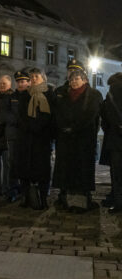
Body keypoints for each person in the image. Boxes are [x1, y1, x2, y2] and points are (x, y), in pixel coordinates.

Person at [53, 66, 102, 212]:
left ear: (84, 80)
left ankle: (83, 199)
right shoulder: (64, 94)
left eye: (77, 79)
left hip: (84, 138)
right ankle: (68, 198)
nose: (74, 82)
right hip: (67, 139)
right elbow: (58, 112)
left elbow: (90, 115)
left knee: (83, 170)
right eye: (71, 79)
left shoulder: (93, 94)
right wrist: (64, 126)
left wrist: (74, 127)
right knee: (69, 170)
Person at [15, 68, 55, 210]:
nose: (33, 79)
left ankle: (43, 198)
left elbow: (50, 115)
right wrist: (30, 126)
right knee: (25, 169)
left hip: (42, 138)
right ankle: (26, 197)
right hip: (26, 137)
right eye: (31, 77)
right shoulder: (25, 95)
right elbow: (21, 115)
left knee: (42, 170)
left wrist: (39, 126)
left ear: (43, 78)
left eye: (36, 77)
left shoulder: (50, 94)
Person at [2, 71, 31, 202]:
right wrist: (19, 120)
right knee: (12, 163)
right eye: (19, 82)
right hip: (13, 134)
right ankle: (12, 189)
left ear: (28, 82)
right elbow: (4, 114)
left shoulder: (31, 96)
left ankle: (25, 189)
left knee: (25, 162)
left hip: (26, 135)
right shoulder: (10, 97)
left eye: (23, 81)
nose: (21, 84)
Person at [100, 73, 122, 213]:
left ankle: (118, 203)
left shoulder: (112, 92)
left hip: (115, 139)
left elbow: (106, 117)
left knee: (117, 175)